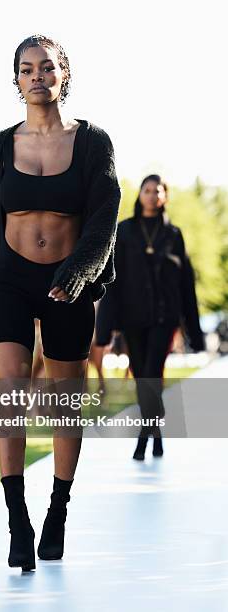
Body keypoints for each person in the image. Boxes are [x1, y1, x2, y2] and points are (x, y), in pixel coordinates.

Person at [0, 34, 120, 571]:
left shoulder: (93, 143)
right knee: (7, 394)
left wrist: (79, 272)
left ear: (64, 75)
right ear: (16, 80)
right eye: (27, 69)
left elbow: (104, 217)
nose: (38, 76)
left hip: (66, 284)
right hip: (8, 279)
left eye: (48, 68)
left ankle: (58, 508)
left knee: (63, 404)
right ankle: (17, 518)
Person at [95, 174, 204, 460]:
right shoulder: (125, 231)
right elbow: (111, 283)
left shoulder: (173, 235)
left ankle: (144, 438)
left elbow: (186, 285)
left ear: (165, 196)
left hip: (164, 317)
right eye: (148, 190)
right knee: (142, 375)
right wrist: (104, 331)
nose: (153, 195)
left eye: (158, 190)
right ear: (140, 195)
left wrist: (195, 332)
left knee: (152, 373)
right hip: (132, 317)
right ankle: (155, 431)